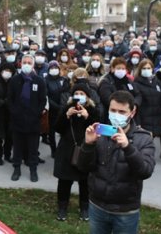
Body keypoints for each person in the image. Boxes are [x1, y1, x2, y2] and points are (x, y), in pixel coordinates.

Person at [76, 91, 156, 234]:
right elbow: (83, 167)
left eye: (121, 111)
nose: (116, 115)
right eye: (113, 110)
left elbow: (145, 171)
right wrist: (88, 145)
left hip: (125, 211)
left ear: (132, 112)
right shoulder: (100, 133)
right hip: (97, 205)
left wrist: (128, 147)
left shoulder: (143, 138)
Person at [54, 82, 98, 222]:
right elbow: (58, 128)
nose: (79, 96)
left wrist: (87, 117)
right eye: (76, 94)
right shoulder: (67, 108)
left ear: (87, 97)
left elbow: (98, 129)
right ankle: (62, 208)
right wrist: (66, 116)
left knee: (85, 182)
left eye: (82, 94)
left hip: (85, 150)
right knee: (64, 182)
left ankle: (84, 209)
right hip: (67, 150)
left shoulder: (92, 110)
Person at [8, 54, 47, 182]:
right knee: (17, 147)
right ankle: (16, 169)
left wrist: (36, 113)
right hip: (17, 120)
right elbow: (10, 99)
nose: (26, 64)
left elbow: (42, 100)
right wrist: (15, 112)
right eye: (24, 62)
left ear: (33, 65)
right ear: (20, 63)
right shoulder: (14, 80)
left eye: (29, 63)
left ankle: (33, 170)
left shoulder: (39, 81)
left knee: (33, 148)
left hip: (33, 121)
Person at [133, 59, 161, 159]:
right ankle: (143, 158)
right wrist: (138, 122)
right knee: (146, 140)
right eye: (144, 68)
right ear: (140, 70)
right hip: (145, 118)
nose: (146, 70)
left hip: (158, 116)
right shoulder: (136, 84)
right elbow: (138, 105)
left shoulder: (157, 82)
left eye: (149, 68)